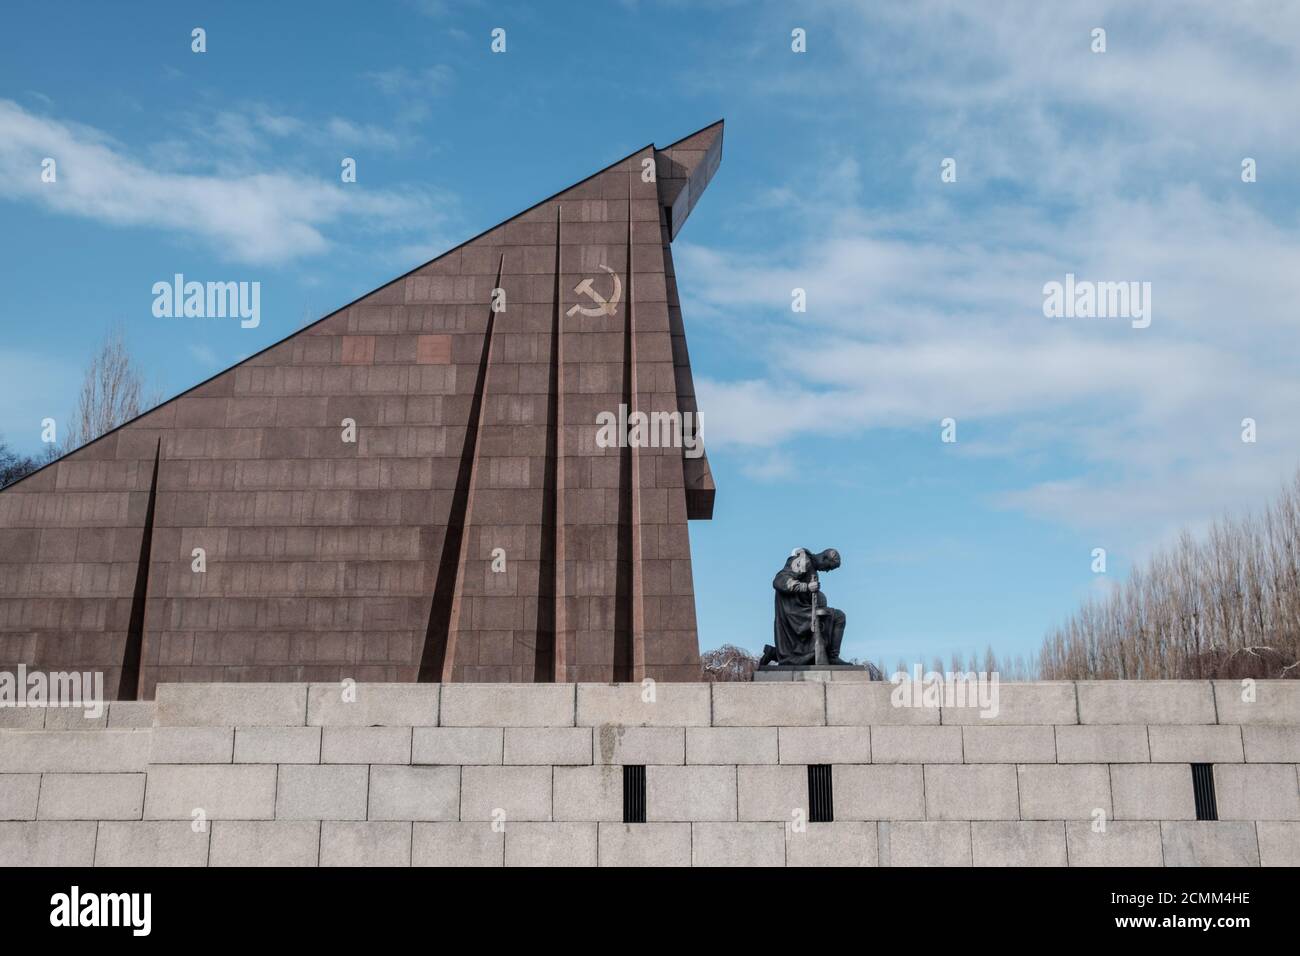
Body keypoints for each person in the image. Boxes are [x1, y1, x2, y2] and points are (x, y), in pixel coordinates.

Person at [760, 547, 848, 666]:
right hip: (795, 612)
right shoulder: (803, 561)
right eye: (828, 567)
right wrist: (806, 587)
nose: (827, 571)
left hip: (801, 610)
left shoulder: (811, 566)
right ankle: (833, 656)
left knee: (827, 618)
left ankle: (775, 653)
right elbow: (779, 581)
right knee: (839, 617)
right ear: (824, 558)